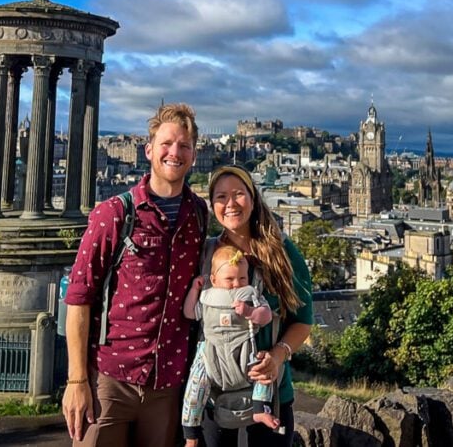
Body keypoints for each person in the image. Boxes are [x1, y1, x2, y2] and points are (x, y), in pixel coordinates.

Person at [62, 103, 207, 447]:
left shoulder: (199, 214)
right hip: (110, 382)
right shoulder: (113, 213)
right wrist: (76, 381)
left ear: (194, 155)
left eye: (184, 146)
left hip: (169, 385)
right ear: (149, 150)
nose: (175, 153)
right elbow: (79, 299)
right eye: (167, 144)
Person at [200, 165, 314, 447]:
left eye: (239, 194)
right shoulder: (205, 254)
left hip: (270, 393)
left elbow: (303, 320)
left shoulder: (282, 253)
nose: (230, 204)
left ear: (253, 198)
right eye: (221, 197)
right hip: (214, 396)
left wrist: (277, 356)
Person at [181, 245, 279, 446]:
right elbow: (190, 313)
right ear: (214, 280)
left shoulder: (249, 294)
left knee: (263, 370)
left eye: (242, 278)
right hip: (211, 351)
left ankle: (260, 409)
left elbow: (266, 316)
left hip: (243, 348)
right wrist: (194, 289)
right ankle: (191, 433)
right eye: (230, 279)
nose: (236, 284)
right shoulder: (207, 296)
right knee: (196, 384)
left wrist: (250, 312)